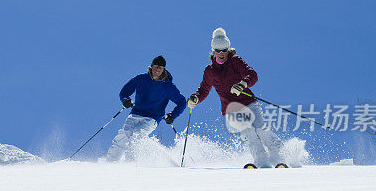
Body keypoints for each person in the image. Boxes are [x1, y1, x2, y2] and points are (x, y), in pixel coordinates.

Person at [186, 28, 284, 167]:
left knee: (261, 130)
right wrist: (195, 98)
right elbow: (203, 90)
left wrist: (242, 84)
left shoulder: (235, 62)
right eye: (218, 50)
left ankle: (280, 156)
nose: (221, 53)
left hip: (249, 103)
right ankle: (261, 160)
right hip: (231, 109)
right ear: (213, 51)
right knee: (248, 132)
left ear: (228, 49)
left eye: (224, 50)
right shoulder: (210, 71)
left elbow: (252, 74)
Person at [106, 55, 187, 162]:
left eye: (160, 67)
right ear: (151, 67)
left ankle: (130, 164)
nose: (157, 69)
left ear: (164, 70)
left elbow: (182, 102)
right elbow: (124, 91)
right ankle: (110, 162)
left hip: (152, 118)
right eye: (156, 66)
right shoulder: (141, 79)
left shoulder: (167, 86)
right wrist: (125, 100)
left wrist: (172, 115)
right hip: (135, 114)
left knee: (137, 136)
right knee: (124, 135)